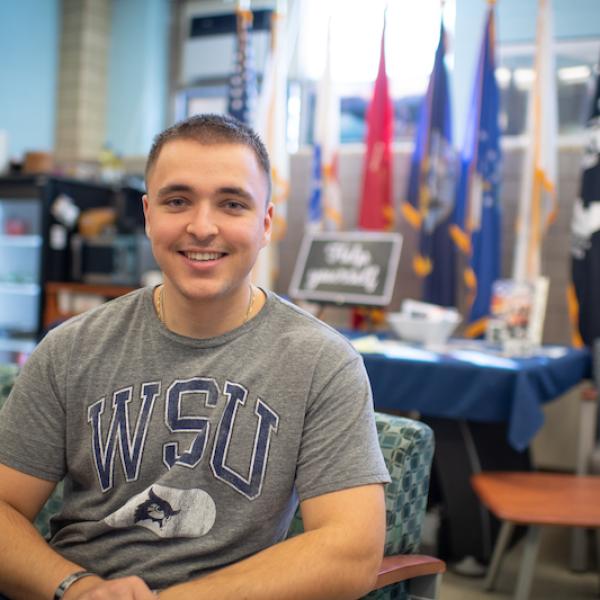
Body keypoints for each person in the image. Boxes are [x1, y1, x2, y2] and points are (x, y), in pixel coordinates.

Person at [0, 114, 390, 600]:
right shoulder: (68, 349)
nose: (202, 227)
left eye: (231, 203)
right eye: (178, 201)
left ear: (265, 223)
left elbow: (351, 550)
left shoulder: (322, 363)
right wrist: (75, 587)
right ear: (148, 215)